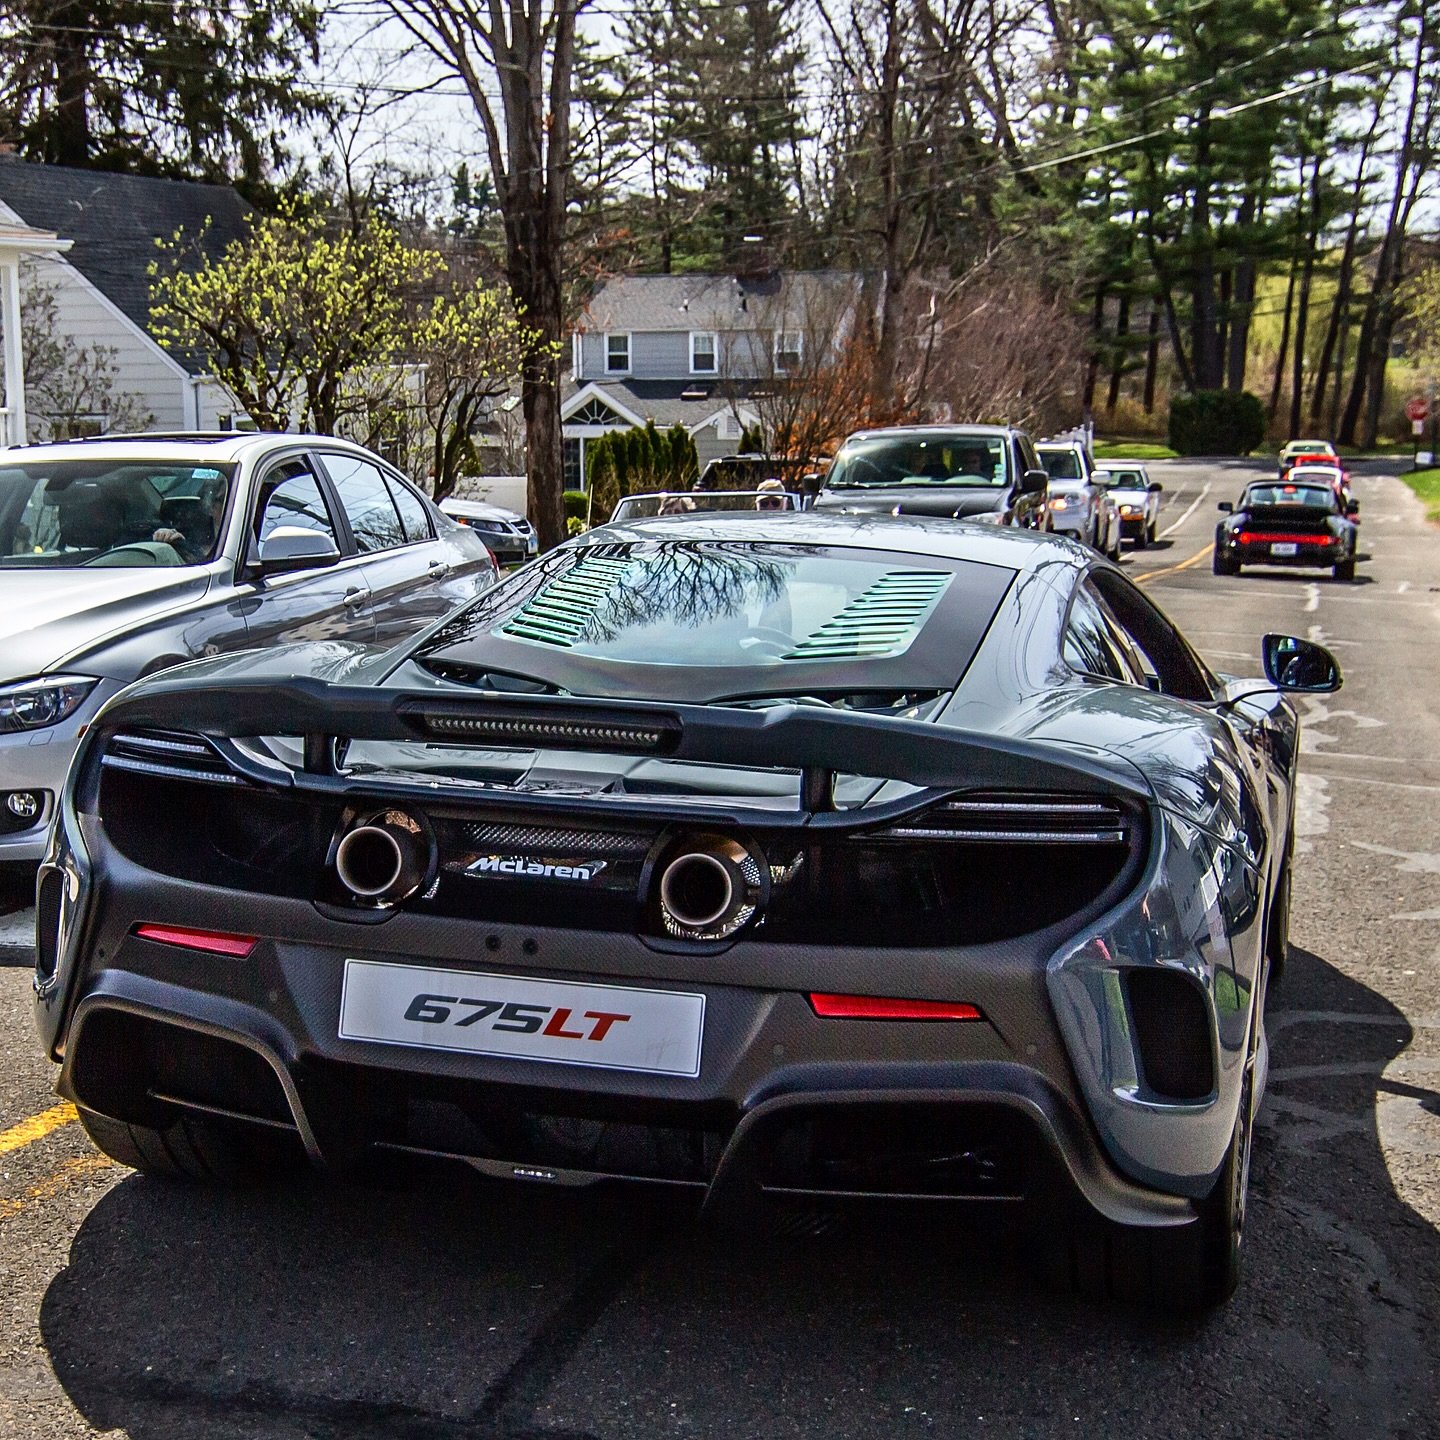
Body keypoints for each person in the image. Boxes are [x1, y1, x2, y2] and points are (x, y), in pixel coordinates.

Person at [154, 475, 227, 562]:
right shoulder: (190, 541)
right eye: (223, 499)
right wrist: (166, 538)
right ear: (210, 506)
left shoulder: (245, 547)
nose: (232, 505)